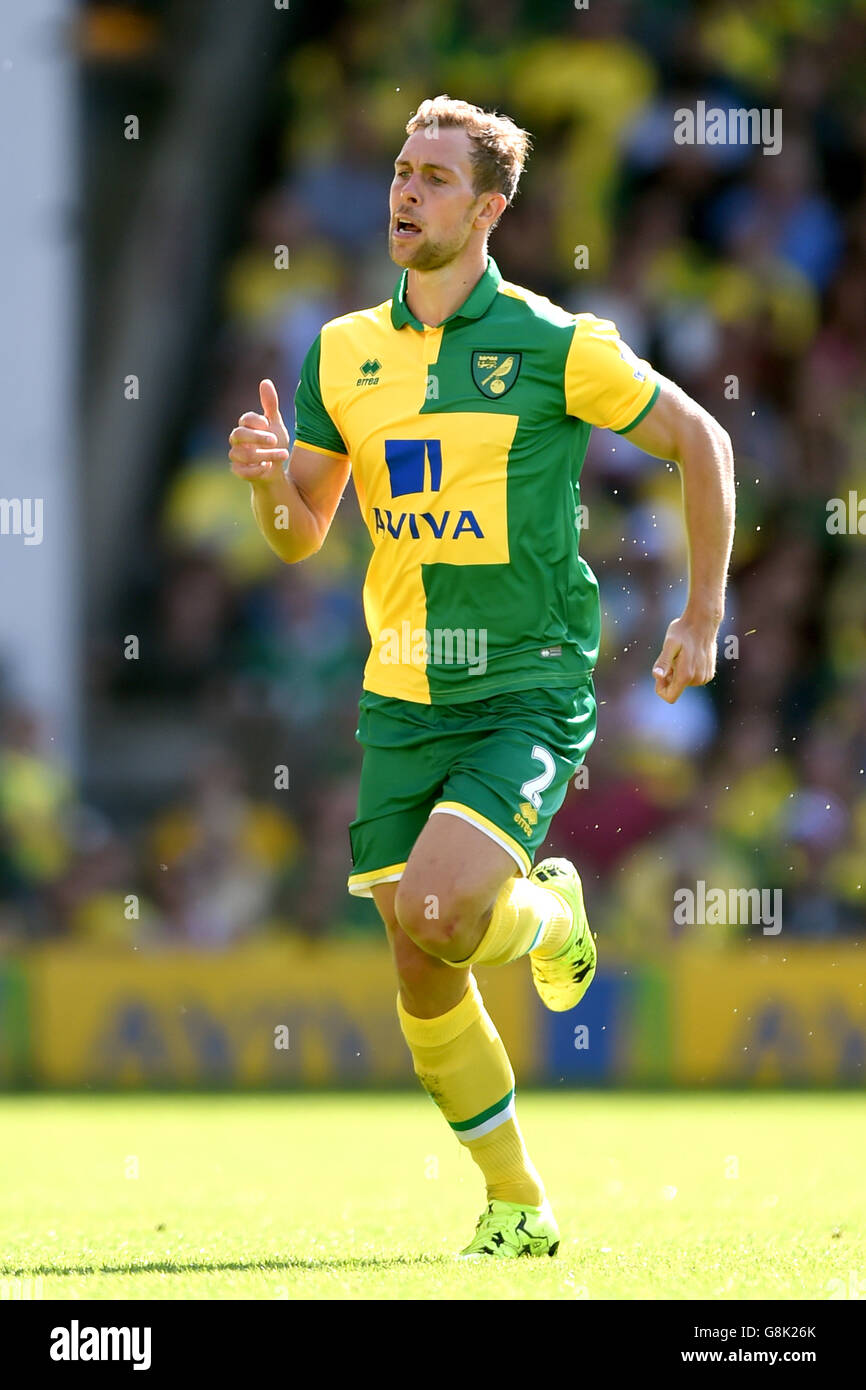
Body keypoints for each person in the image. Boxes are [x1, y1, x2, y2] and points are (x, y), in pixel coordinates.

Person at [229, 95, 735, 1258]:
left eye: (435, 178)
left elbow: (700, 442)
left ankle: (550, 914)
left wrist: (703, 610)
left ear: (490, 208)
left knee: (439, 908)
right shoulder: (341, 353)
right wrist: (266, 481)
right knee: (421, 963)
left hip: (524, 683)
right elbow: (302, 532)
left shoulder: (558, 345)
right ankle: (515, 1203)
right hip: (401, 693)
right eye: (401, 172)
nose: (405, 193)